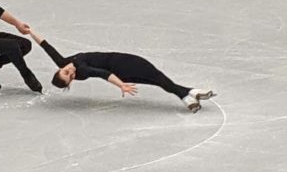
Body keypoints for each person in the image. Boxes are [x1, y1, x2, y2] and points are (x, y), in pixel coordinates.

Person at [28, 29, 215, 113]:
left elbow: (45, 46)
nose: (70, 71)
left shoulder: (62, 61)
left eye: (65, 72)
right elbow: (104, 74)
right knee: (158, 79)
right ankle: (188, 95)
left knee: (158, 80)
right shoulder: (83, 69)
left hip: (123, 64)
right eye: (71, 77)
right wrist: (121, 85)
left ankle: (189, 94)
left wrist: (29, 31)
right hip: (123, 67)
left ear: (60, 69)